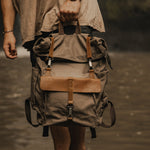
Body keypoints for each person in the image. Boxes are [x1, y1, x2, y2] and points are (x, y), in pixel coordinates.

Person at [1, 0, 105, 150]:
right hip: (36, 23)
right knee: (57, 111)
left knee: (68, 136)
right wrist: (8, 31)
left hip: (67, 14)